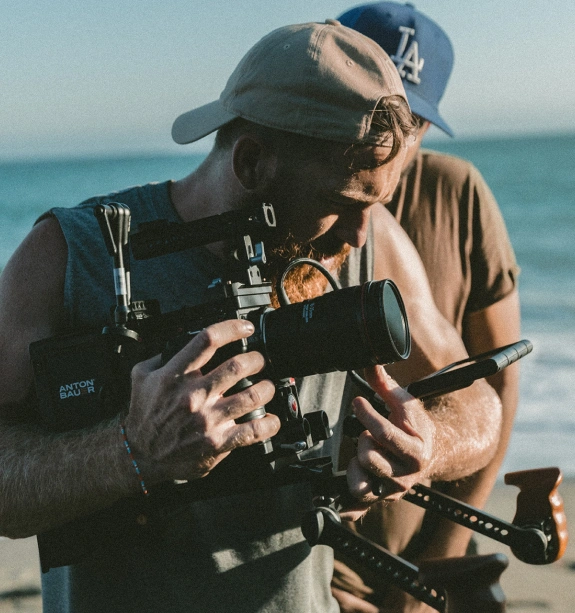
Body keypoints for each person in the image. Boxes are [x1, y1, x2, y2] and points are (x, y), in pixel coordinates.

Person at [0, 21, 502, 613]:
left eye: (378, 203)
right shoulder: (66, 255)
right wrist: (131, 450)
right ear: (252, 162)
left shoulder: (370, 241)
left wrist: (427, 444)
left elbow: (480, 403)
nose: (360, 233)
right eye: (342, 204)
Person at [330, 4, 521, 612]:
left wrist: (436, 561)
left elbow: (499, 385)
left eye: (410, 119)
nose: (391, 136)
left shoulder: (458, 193)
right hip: (320, 549)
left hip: (430, 536)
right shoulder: (304, 198)